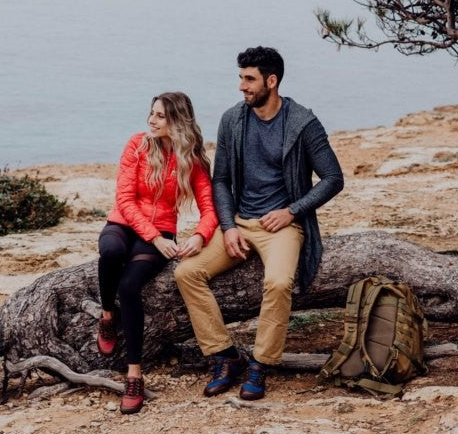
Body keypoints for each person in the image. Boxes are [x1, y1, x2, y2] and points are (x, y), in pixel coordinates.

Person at [174, 46, 344, 400]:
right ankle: (224, 356)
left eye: (249, 79)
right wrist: (228, 226)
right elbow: (220, 180)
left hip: (282, 226)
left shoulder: (302, 123)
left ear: (272, 80)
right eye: (240, 78)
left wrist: (293, 210)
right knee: (186, 273)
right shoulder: (232, 120)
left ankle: (260, 364)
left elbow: (332, 178)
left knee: (279, 283)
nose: (241, 86)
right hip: (238, 222)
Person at [96, 92, 218, 414]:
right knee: (110, 252)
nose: (151, 120)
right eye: (151, 113)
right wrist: (153, 238)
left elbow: (210, 208)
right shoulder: (137, 144)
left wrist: (200, 236)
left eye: (160, 116)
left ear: (177, 120)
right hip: (124, 222)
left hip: (163, 230)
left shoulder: (190, 158)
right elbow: (125, 199)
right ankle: (107, 315)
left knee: (130, 287)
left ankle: (134, 376)